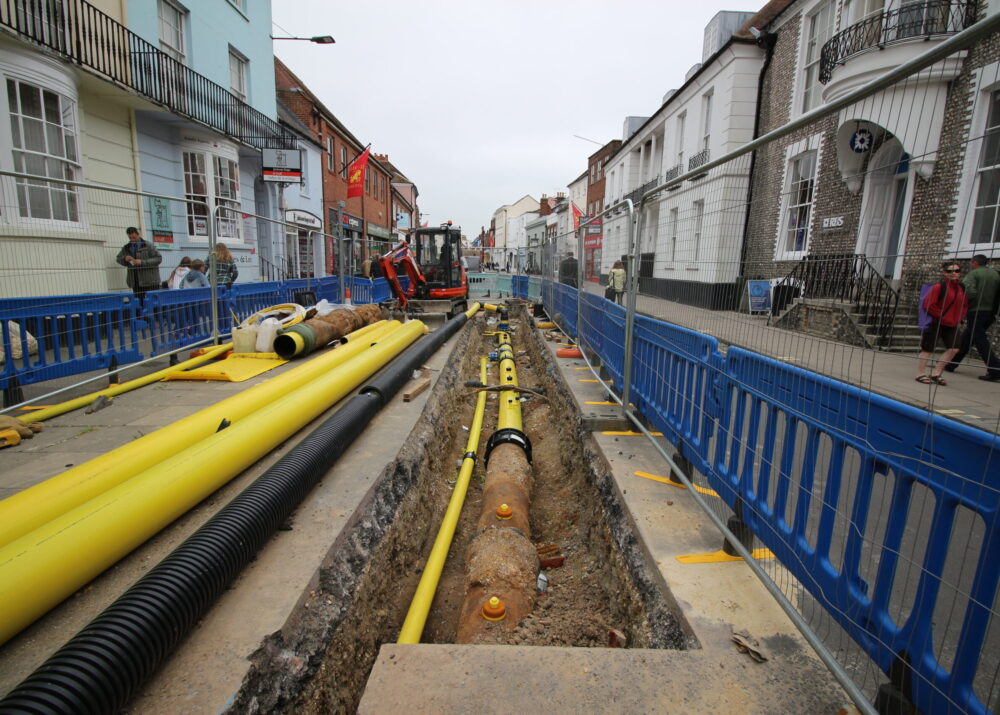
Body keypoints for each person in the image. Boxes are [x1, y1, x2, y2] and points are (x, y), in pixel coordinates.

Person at [945, 254, 1000, 381]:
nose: (970, 264)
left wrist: (962, 305)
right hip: (991, 312)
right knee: (968, 337)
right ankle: (951, 364)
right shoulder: (995, 274)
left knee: (980, 339)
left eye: (971, 262)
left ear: (975, 263)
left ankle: (995, 368)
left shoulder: (974, 274)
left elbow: (969, 292)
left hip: (976, 311)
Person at [915, 261, 968, 386]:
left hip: (952, 323)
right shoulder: (939, 287)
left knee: (954, 348)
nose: (953, 273)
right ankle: (920, 373)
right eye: (950, 271)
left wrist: (960, 316)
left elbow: (964, 304)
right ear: (945, 273)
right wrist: (941, 315)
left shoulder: (962, 288)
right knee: (928, 348)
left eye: (956, 271)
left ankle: (936, 373)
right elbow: (928, 304)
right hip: (936, 322)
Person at [115, 227, 162, 305]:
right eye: (130, 238)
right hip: (135, 282)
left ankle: (154, 317)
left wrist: (142, 262)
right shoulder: (126, 248)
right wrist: (125, 258)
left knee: (152, 304)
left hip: (150, 282)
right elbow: (118, 258)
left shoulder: (148, 245)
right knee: (139, 304)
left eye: (134, 237)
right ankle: (142, 316)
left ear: (138, 235)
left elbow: (158, 259)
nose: (132, 240)